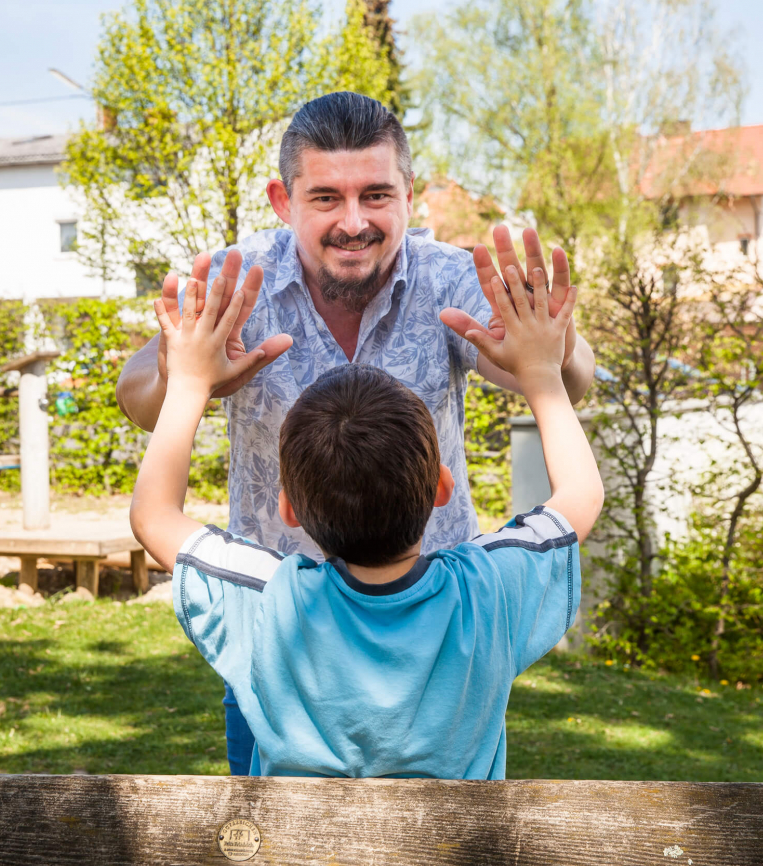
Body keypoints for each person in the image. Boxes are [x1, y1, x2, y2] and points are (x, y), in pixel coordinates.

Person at [116, 91, 596, 774]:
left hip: (417, 639)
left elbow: (567, 375)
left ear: (408, 195)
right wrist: (180, 372)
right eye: (325, 199)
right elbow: (136, 394)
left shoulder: (454, 278)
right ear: (282, 202)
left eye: (375, 195)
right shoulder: (233, 281)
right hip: (296, 645)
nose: (353, 222)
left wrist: (557, 348)